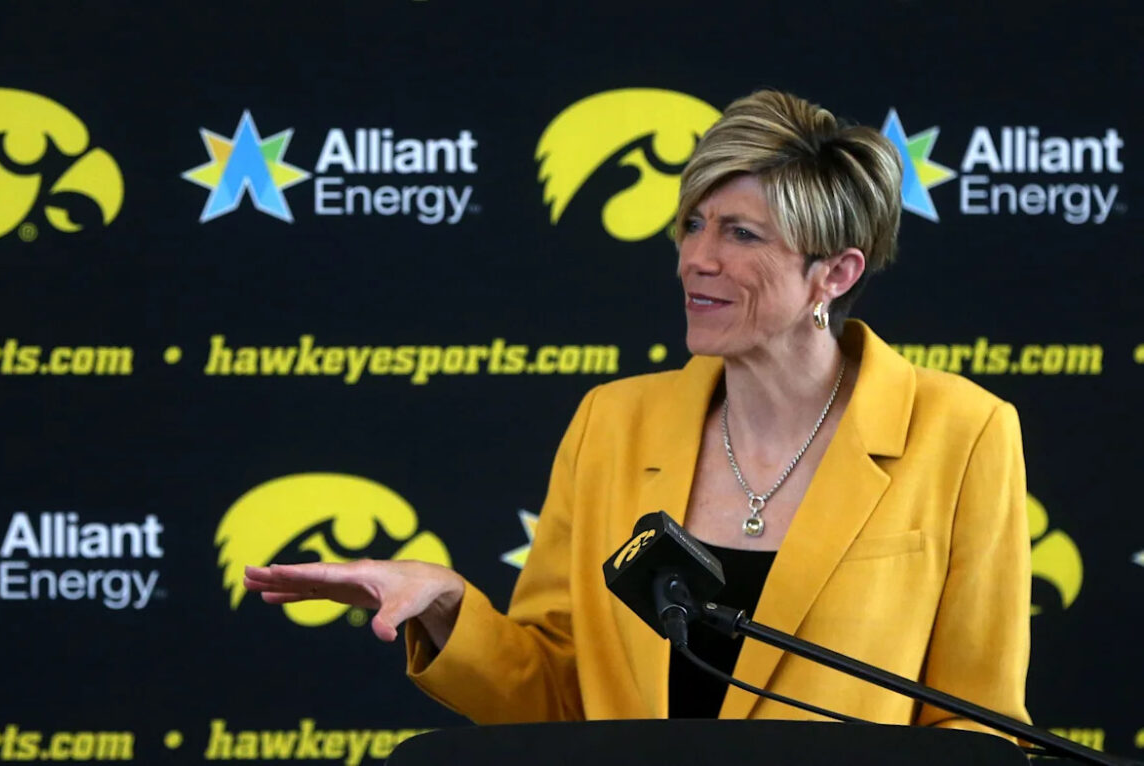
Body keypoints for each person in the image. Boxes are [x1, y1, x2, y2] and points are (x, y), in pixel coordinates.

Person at [244, 89, 1031, 731]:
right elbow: (556, 701)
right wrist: (452, 608)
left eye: (741, 234)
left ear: (835, 273)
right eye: (692, 225)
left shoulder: (962, 432)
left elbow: (978, 724)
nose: (697, 258)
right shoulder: (611, 424)